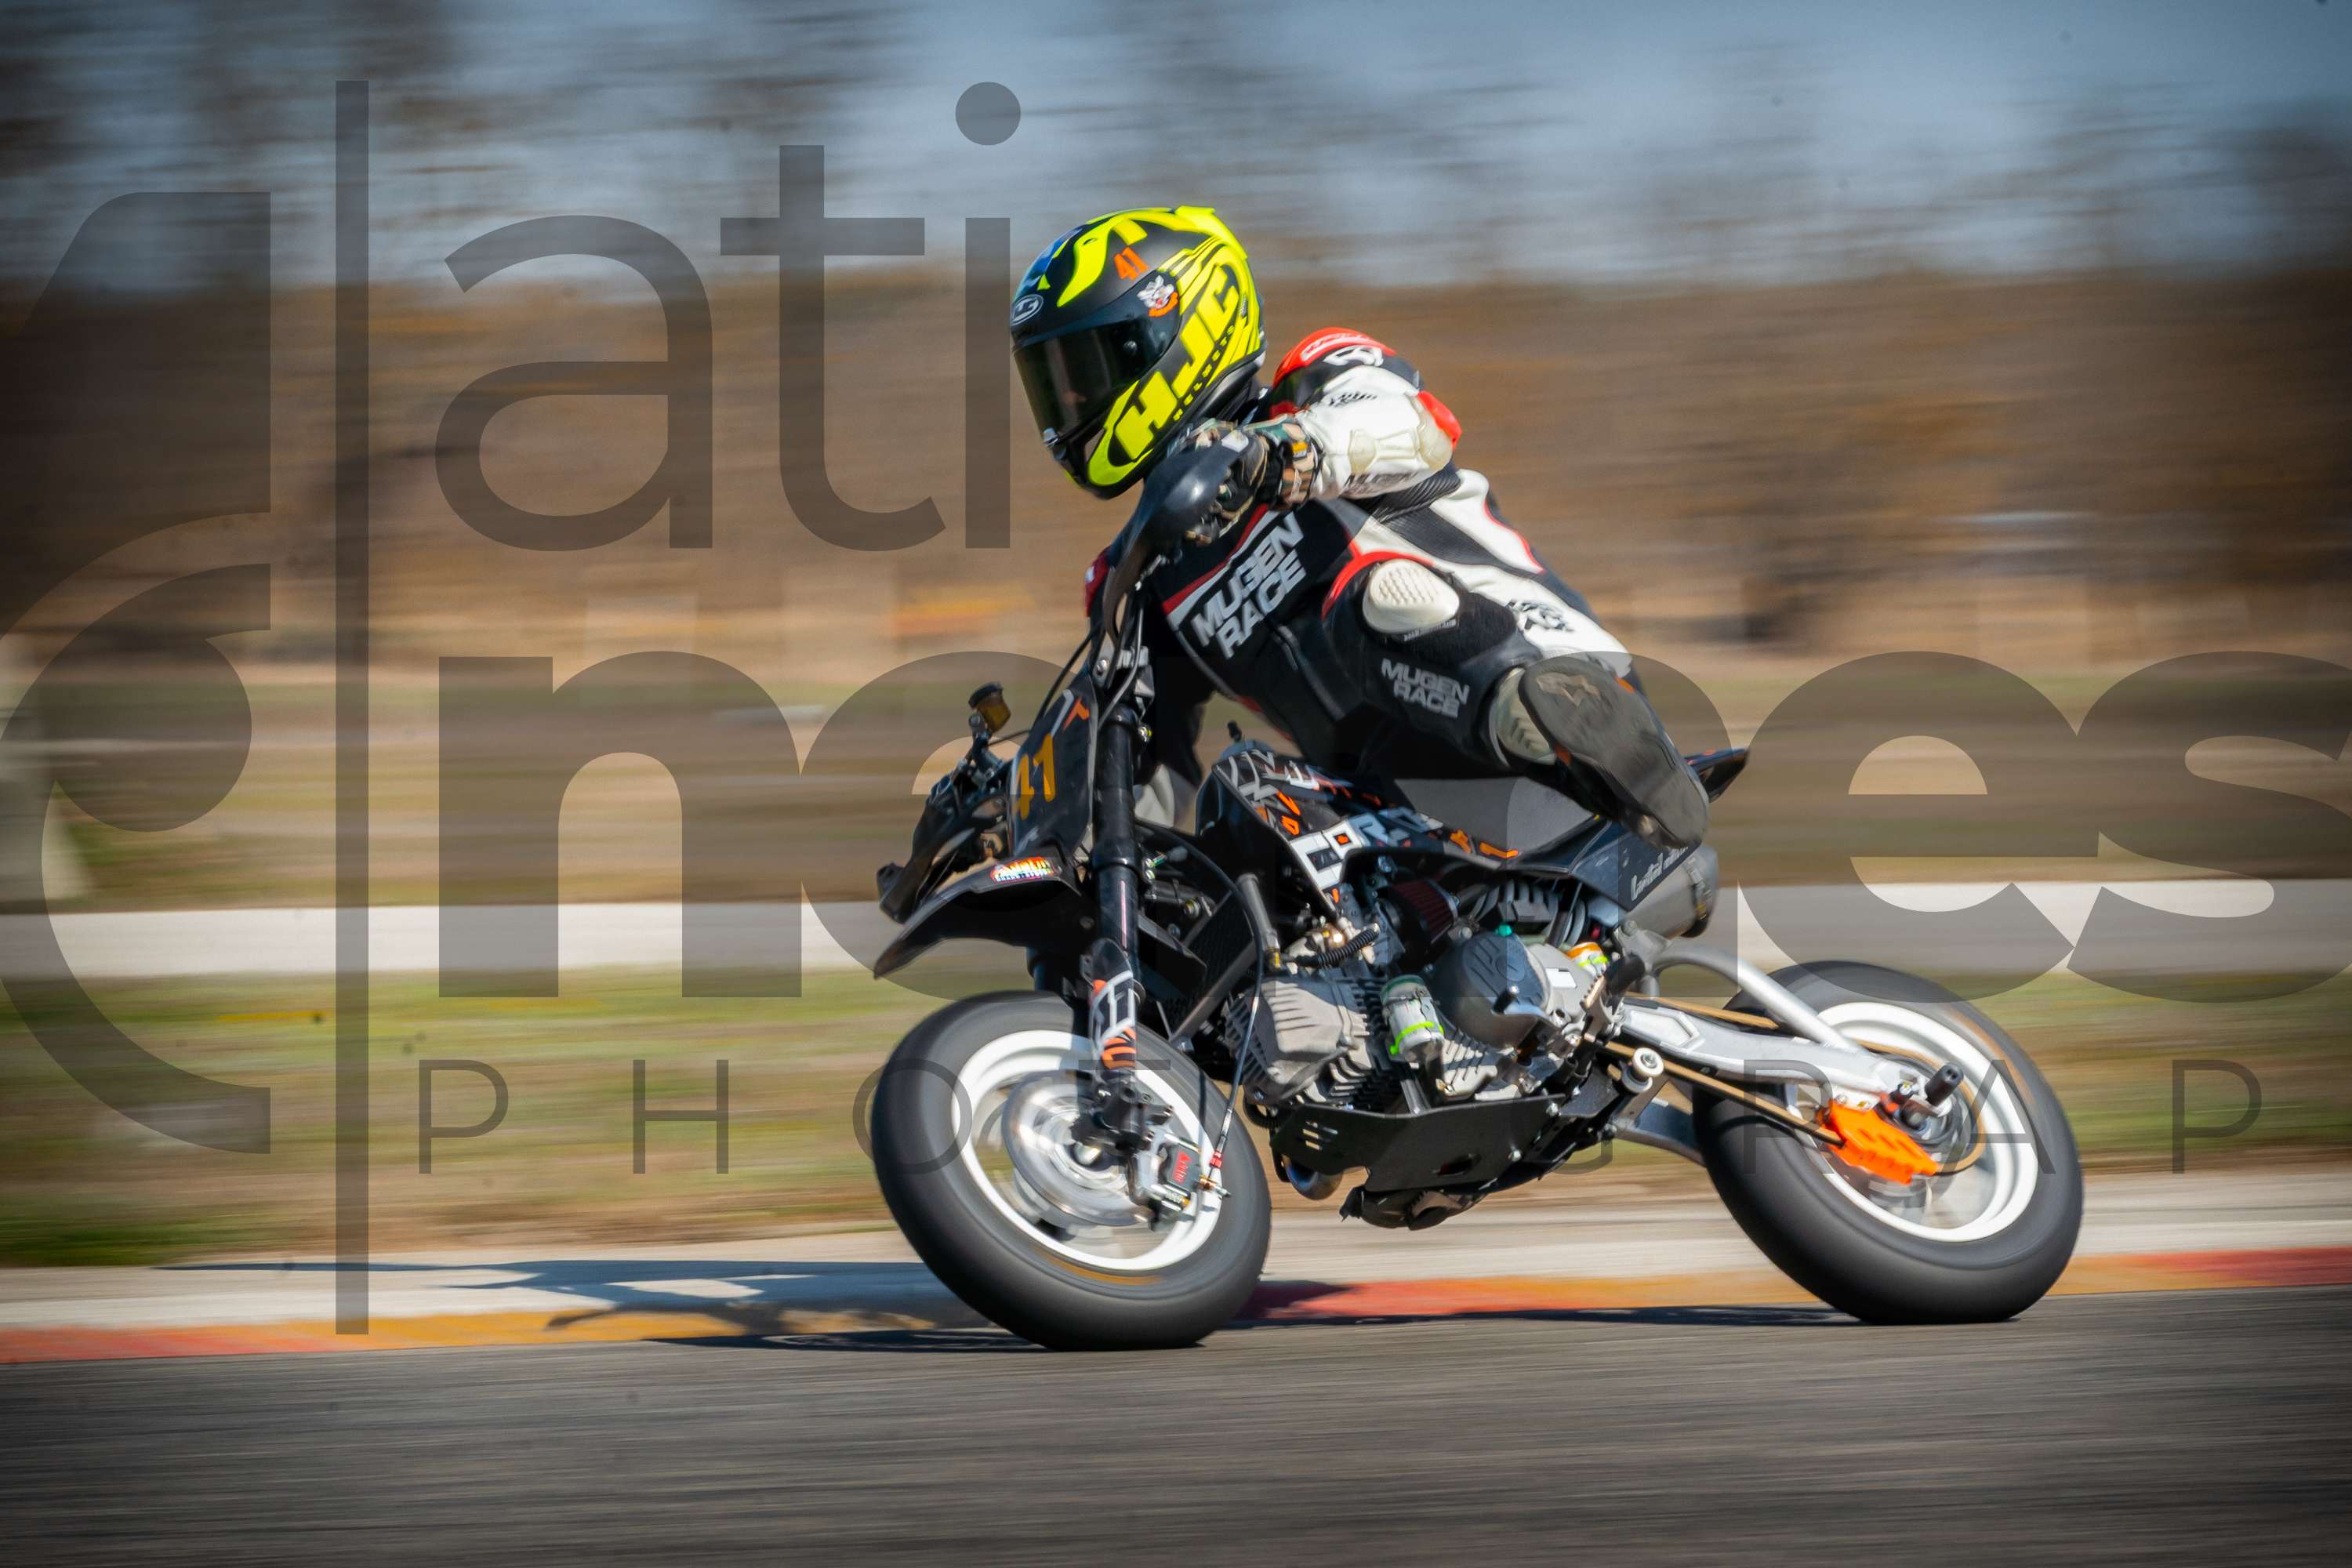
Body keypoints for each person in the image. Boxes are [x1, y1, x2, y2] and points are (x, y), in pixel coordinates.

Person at [1010, 206, 1706, 852]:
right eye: (1054, 381)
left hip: (1552, 695)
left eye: (1087, 369)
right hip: (1404, 826)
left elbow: (1418, 428)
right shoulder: (1151, 573)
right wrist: (1024, 814)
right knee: (1244, 796)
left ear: (1181, 327)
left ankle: (1548, 719)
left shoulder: (1317, 379)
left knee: (1380, 598)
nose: (1070, 399)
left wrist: (1279, 454)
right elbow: (1143, 774)